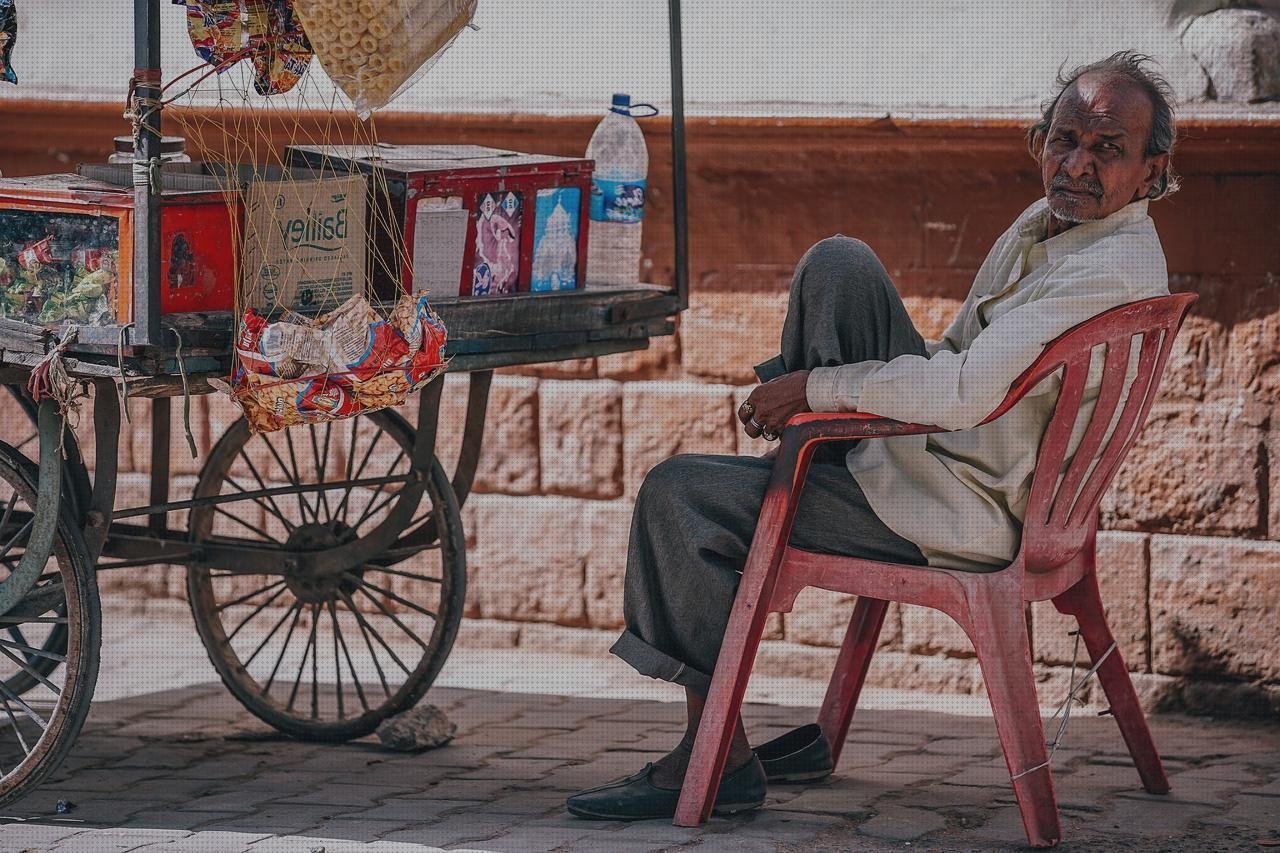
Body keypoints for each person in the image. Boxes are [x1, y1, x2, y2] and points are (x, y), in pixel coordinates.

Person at [566, 51, 1179, 821]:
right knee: (840, 265)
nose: (1078, 164)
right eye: (1065, 140)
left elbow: (959, 392)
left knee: (679, 496)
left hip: (957, 508)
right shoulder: (1051, 224)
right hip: (948, 464)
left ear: (1153, 172)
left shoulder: (1107, 266)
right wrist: (832, 394)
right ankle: (798, 473)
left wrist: (813, 389)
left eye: (1107, 150)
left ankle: (712, 754)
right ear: (1040, 141)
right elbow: (955, 356)